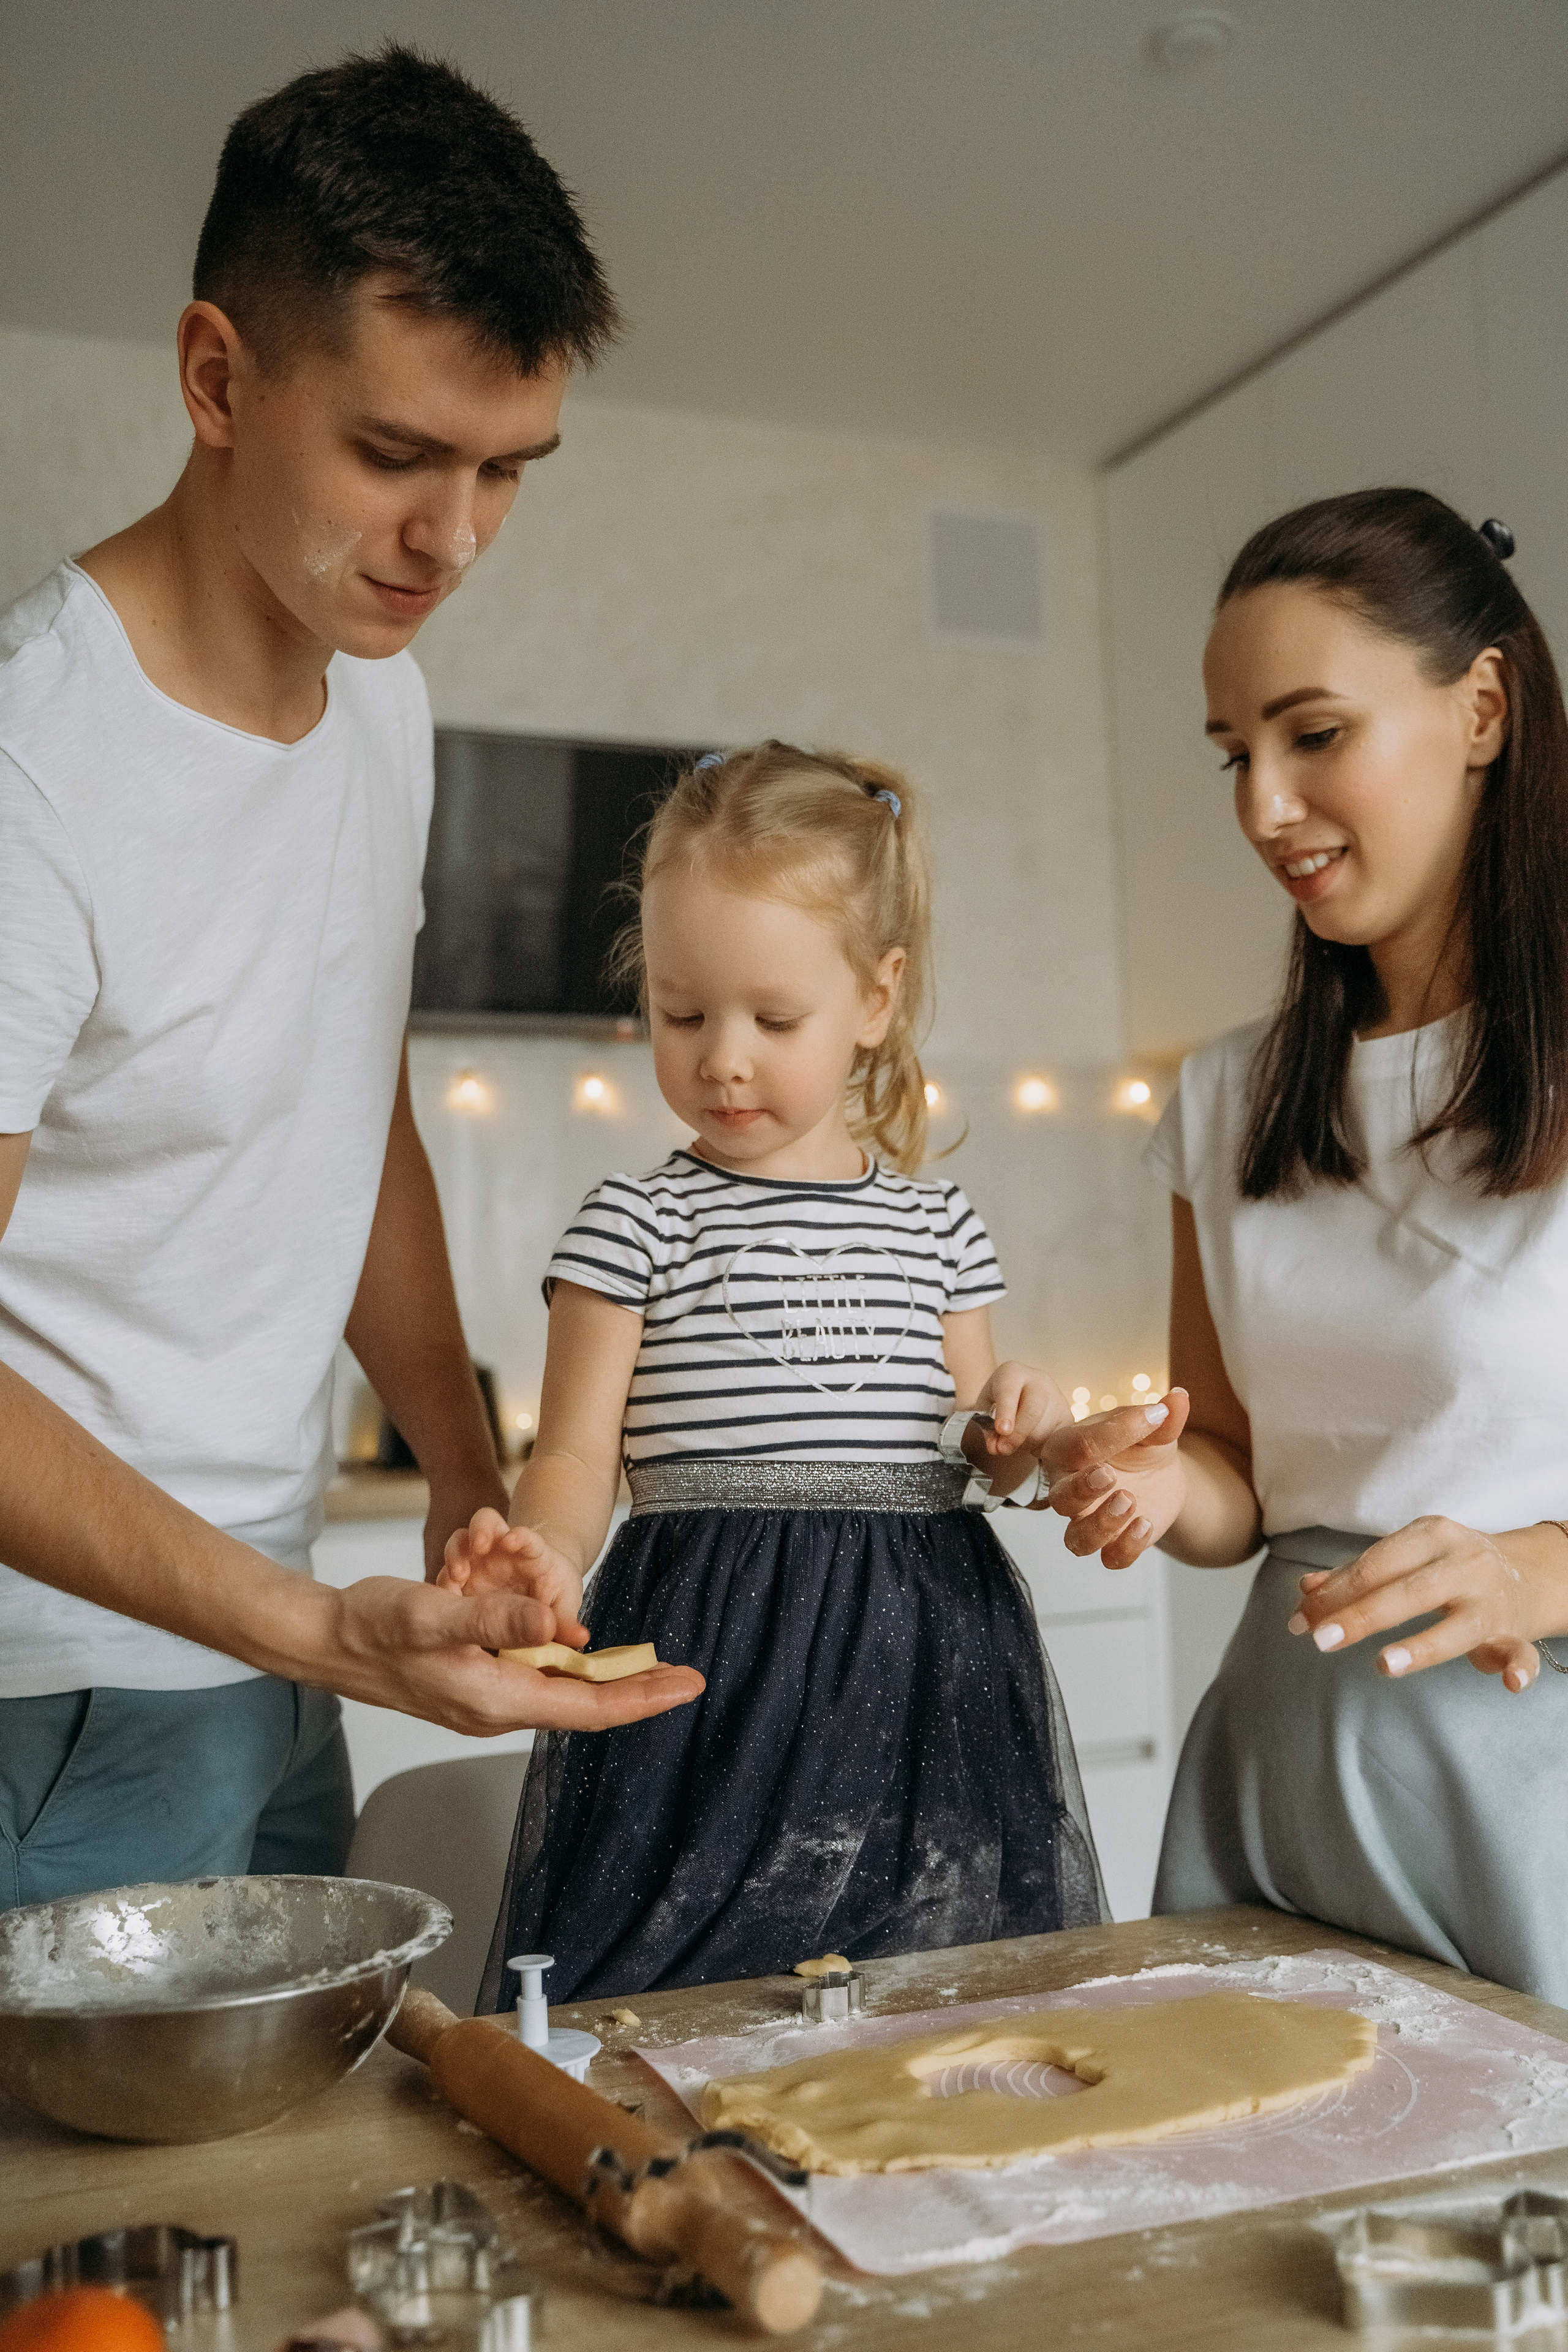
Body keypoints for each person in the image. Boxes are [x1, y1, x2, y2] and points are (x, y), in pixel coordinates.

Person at [0, 46, 701, 1912]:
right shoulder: (33, 770)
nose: (451, 538)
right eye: (396, 456)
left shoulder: (380, 704)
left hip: (270, 1639)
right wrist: (311, 1626)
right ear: (218, 378)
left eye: (504, 471)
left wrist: (474, 1487)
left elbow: (350, 1111)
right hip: (49, 1686)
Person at [439, 741, 1114, 2002]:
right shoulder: (633, 1224)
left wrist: (1022, 1426)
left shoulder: (939, 1227)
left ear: (876, 998)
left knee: (934, 1991)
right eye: (682, 1014)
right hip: (710, 1660)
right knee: (680, 1994)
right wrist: (546, 1554)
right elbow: (577, 1453)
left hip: (924, 1661)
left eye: (773, 1019)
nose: (723, 1059)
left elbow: (981, 1447)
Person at [1042, 487, 1568, 2002]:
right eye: (1234, 755)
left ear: (1480, 709)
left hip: (1521, 1789)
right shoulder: (1224, 1099)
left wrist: (1536, 1571)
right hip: (1278, 1780)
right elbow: (1237, 1479)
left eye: (1312, 735)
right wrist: (1152, 1482)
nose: (1261, 808)